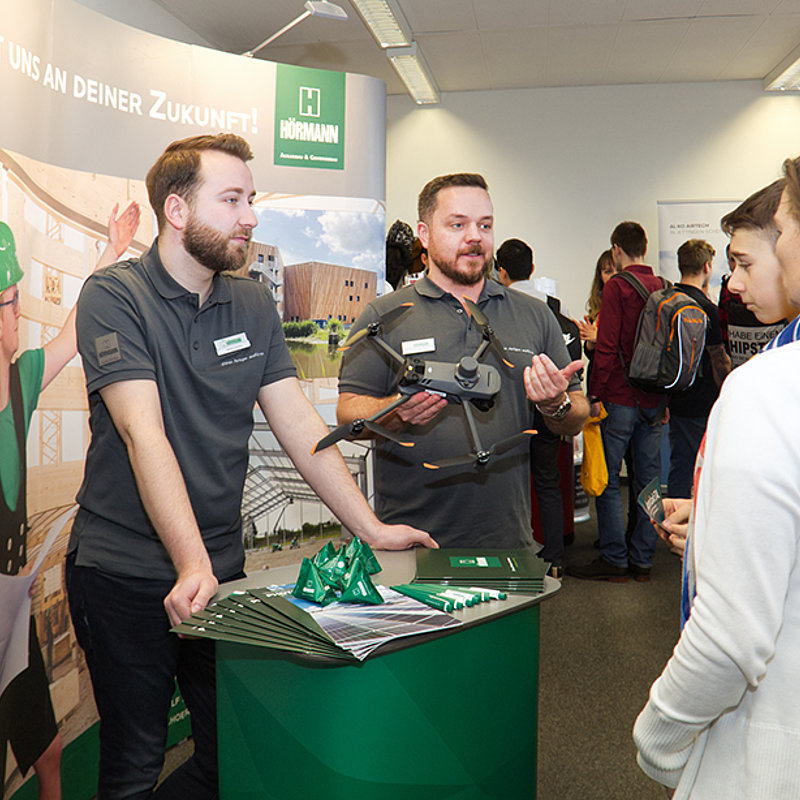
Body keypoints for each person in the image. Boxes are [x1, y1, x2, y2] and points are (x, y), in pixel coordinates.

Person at [65, 134, 436, 800]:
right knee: (134, 763)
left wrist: (371, 529)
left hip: (218, 571)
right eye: (231, 200)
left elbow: (298, 427)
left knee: (231, 752)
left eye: (251, 199)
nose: (251, 217)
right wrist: (190, 563)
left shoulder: (252, 303)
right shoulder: (114, 296)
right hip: (124, 572)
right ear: (177, 212)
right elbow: (142, 432)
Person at [633, 158, 800, 798]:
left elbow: (731, 635)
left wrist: (658, 738)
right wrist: (713, 523)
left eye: (756, 253)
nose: (733, 282)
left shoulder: (766, 391)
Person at [337, 173, 588, 550]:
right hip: (412, 544)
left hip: (509, 541)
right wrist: (397, 412)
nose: (475, 236)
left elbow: (578, 412)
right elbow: (347, 415)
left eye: (485, 225)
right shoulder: (384, 315)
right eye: (458, 224)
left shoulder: (534, 316)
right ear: (424, 233)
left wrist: (557, 403)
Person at [0, 203, 140, 800]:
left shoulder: (20, 378)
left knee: (47, 750)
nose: (13, 314)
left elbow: (71, 333)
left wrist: (110, 251)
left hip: (7, 614)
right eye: (8, 302)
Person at [567, 222, 664, 583]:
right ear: (645, 247)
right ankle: (643, 559)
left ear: (616, 249)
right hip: (654, 400)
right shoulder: (662, 287)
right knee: (647, 480)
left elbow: (605, 349)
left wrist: (594, 395)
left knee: (607, 480)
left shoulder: (618, 287)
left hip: (621, 398)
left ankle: (614, 558)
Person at [495, 238, 581, 578]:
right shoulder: (557, 311)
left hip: (509, 413)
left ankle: (510, 556)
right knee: (548, 482)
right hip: (551, 409)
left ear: (501, 272)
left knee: (504, 481)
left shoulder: (499, 311)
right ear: (532, 269)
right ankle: (556, 559)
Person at [666, 239, 730, 499]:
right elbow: (719, 359)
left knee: (680, 464)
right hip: (703, 400)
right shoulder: (707, 308)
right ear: (707, 266)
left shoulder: (667, 299)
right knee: (704, 466)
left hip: (672, 396)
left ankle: (672, 527)